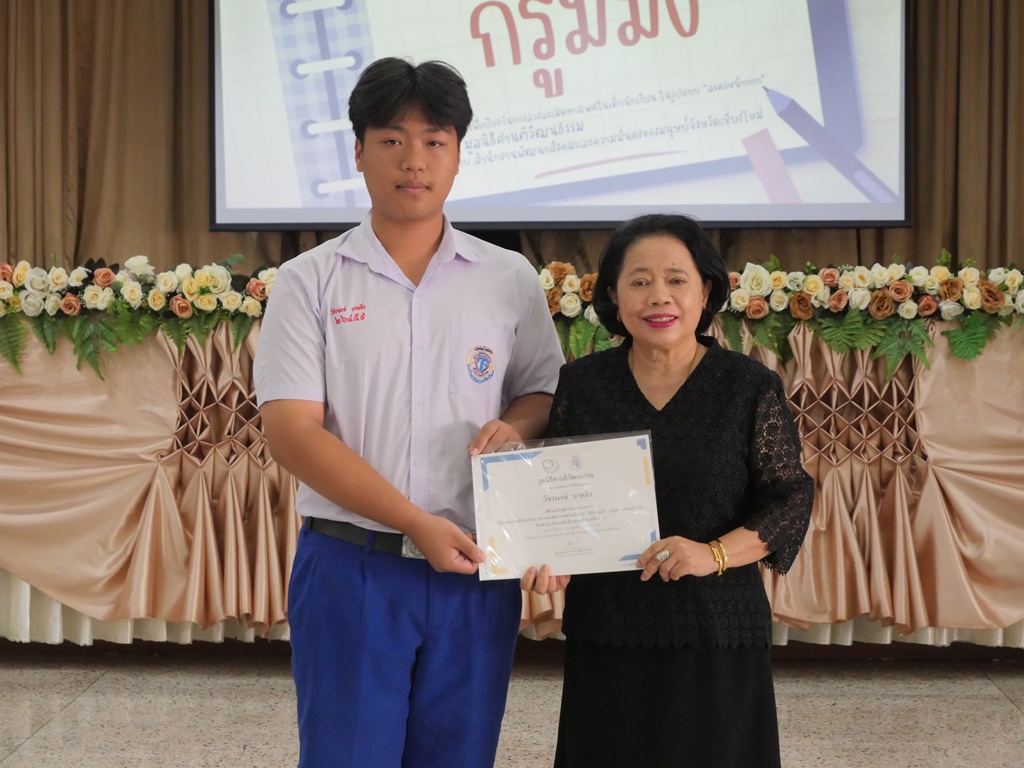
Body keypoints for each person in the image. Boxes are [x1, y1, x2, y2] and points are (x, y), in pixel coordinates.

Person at [253, 57, 565, 768]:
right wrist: (415, 522)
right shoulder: (310, 281)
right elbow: (292, 433)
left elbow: (542, 394)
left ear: (458, 154)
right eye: (392, 139)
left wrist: (516, 425)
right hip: (353, 566)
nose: (413, 160)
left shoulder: (508, 277)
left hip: (474, 571)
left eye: (434, 141)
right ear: (358, 152)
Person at [522, 213, 814, 768]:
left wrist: (713, 553)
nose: (659, 296)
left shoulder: (747, 385)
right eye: (640, 280)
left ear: (705, 291)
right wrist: (547, 557)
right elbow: (558, 496)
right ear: (614, 294)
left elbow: (790, 497)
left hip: (715, 627)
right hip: (609, 626)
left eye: (677, 279)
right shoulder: (583, 384)